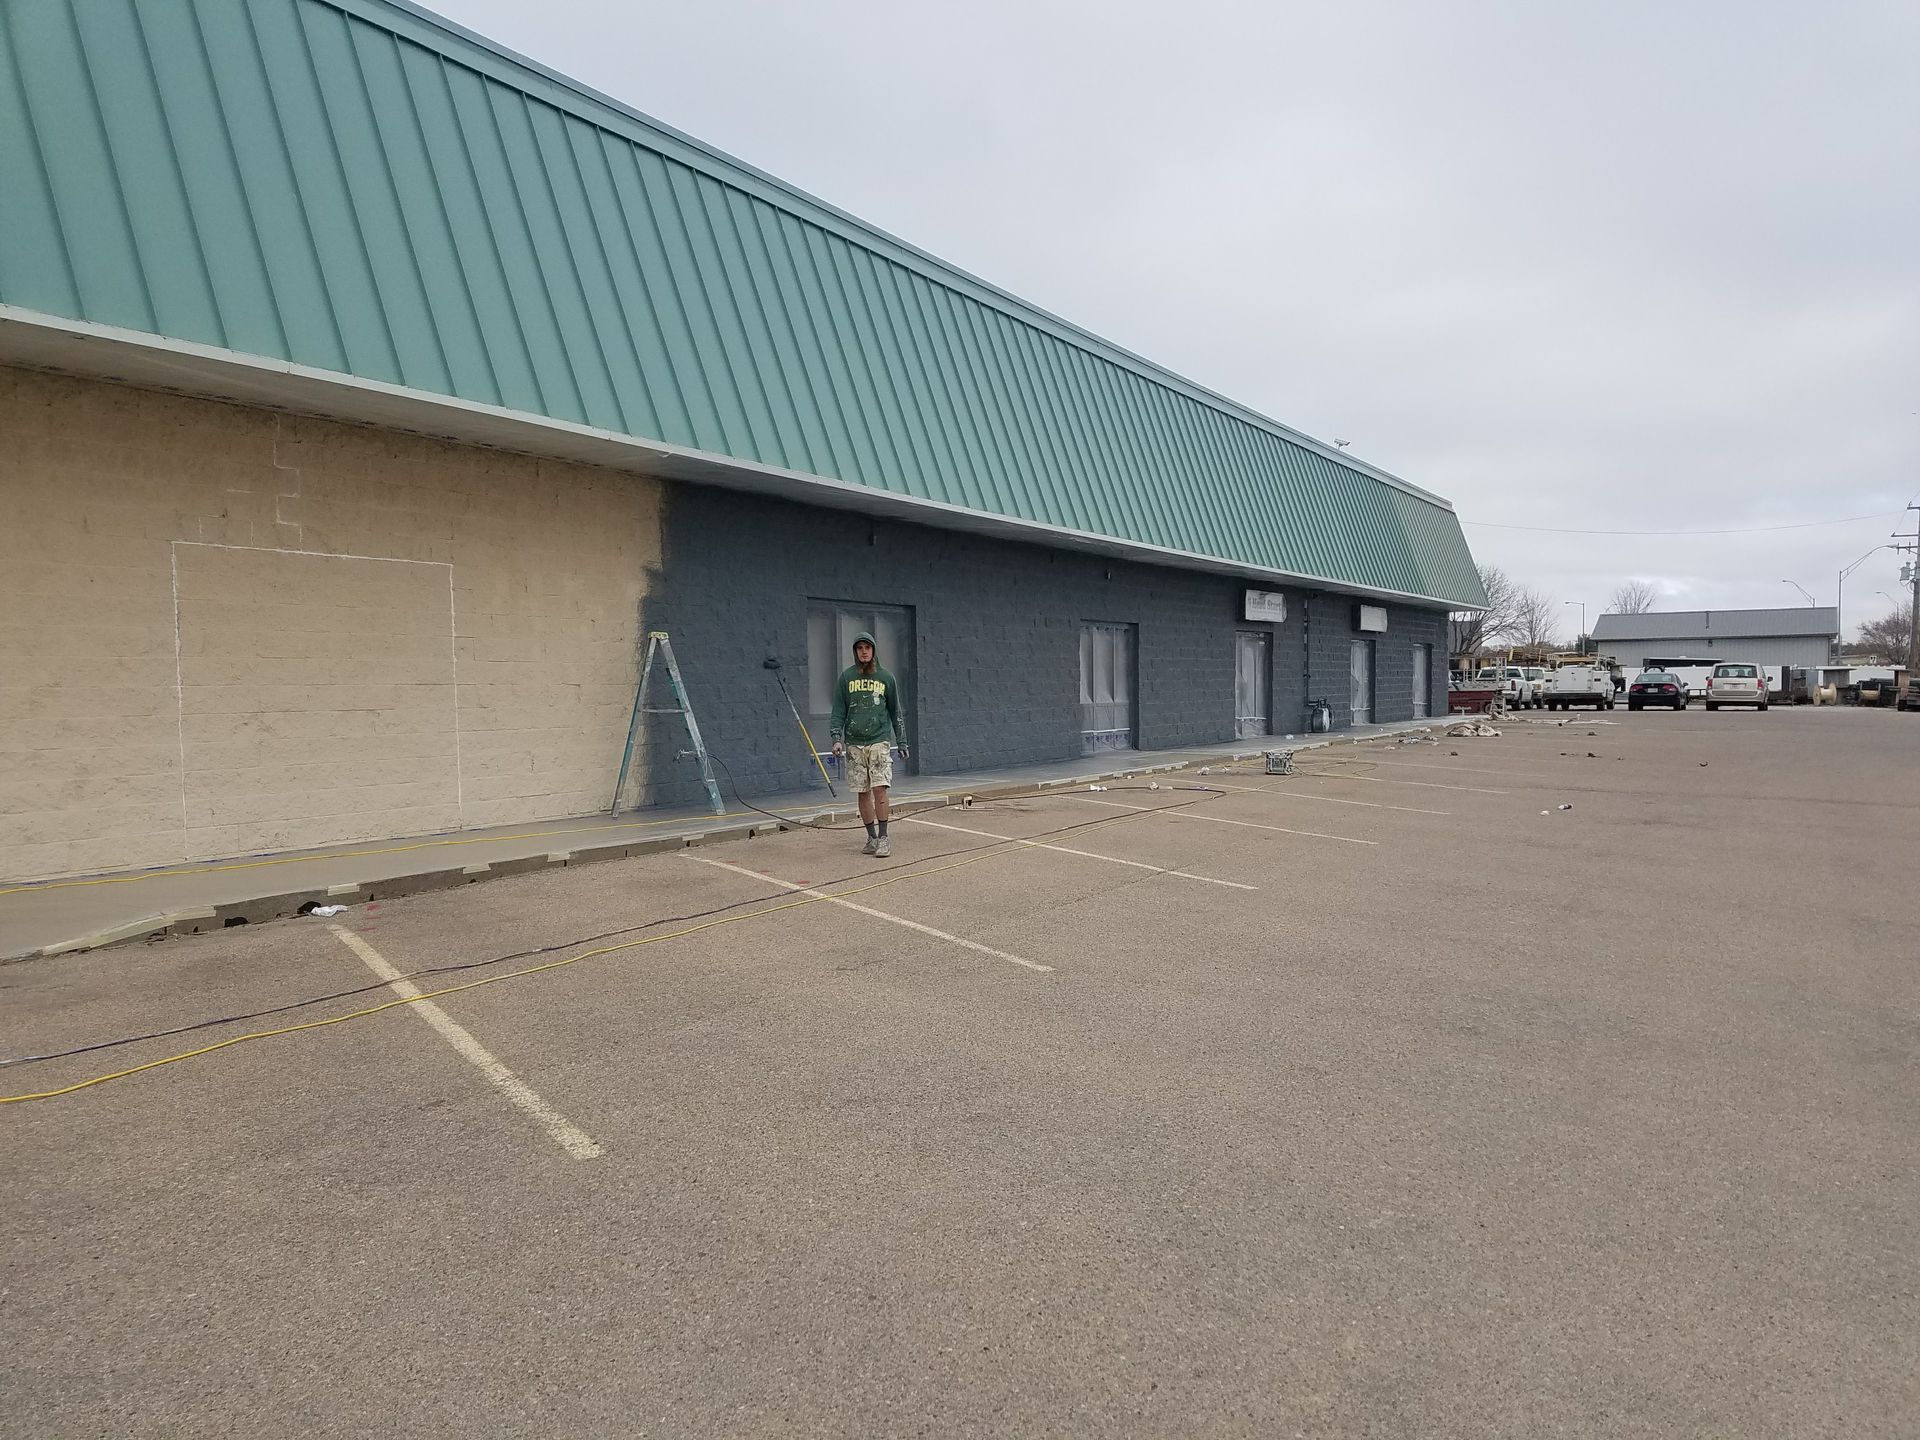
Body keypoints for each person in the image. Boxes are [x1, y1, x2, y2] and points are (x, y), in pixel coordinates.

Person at [829, 631, 907, 858]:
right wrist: (836, 738)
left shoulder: (886, 678)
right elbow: (838, 711)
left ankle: (883, 838)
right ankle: (871, 837)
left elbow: (896, 712)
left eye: (867, 647)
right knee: (862, 792)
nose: (864, 652)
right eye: (859, 648)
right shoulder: (846, 678)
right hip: (854, 743)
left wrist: (902, 741)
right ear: (855, 651)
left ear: (873, 650)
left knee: (880, 788)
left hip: (879, 740)